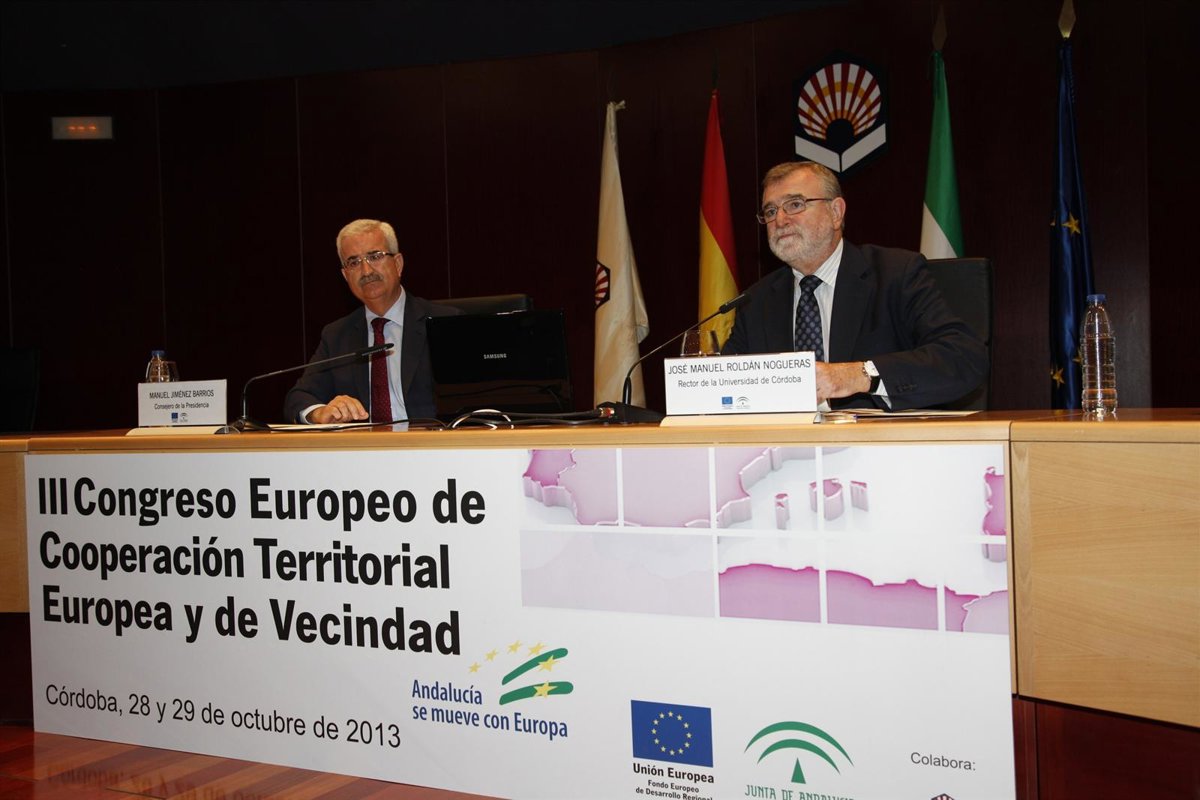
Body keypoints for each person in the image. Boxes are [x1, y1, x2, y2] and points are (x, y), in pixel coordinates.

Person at [723, 161, 987, 410]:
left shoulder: (896, 274)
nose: (780, 221)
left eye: (795, 204)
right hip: (787, 443)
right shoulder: (756, 301)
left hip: (879, 441)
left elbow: (964, 357)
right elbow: (724, 386)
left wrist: (859, 375)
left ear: (836, 213)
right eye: (770, 211)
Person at [284, 219, 460, 423]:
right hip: (364, 442)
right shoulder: (337, 336)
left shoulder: (446, 323)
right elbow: (298, 398)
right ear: (345, 275)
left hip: (430, 440)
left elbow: (476, 399)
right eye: (354, 262)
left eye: (375, 257)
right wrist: (319, 412)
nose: (366, 271)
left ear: (398, 264)